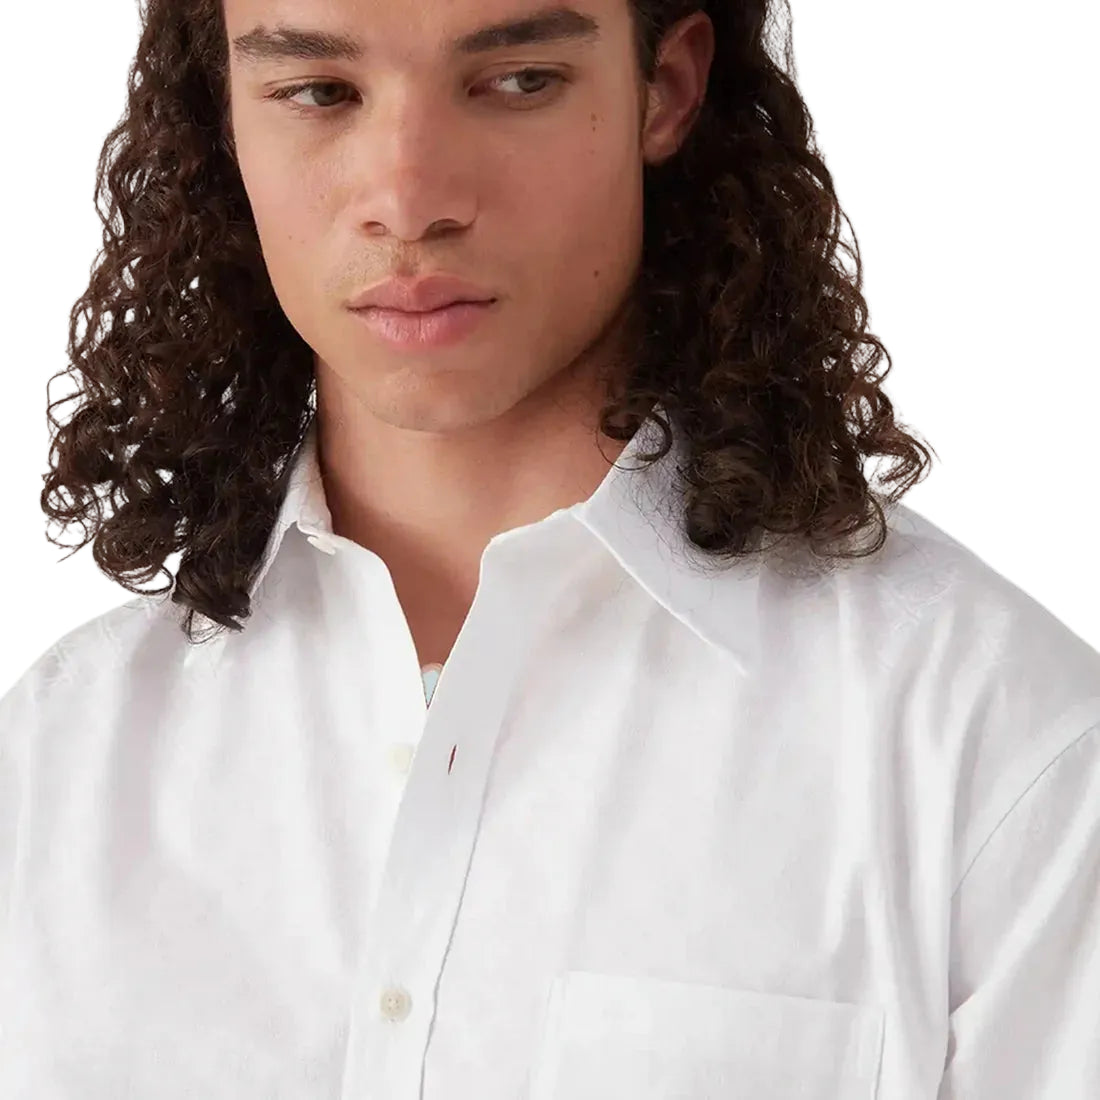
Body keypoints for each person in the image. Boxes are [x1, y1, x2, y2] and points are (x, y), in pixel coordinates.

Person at [1, 0, 1097, 1097]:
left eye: (518, 81)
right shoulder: (52, 766)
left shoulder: (1001, 754)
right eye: (320, 92)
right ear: (226, 115)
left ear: (665, 89)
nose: (409, 201)